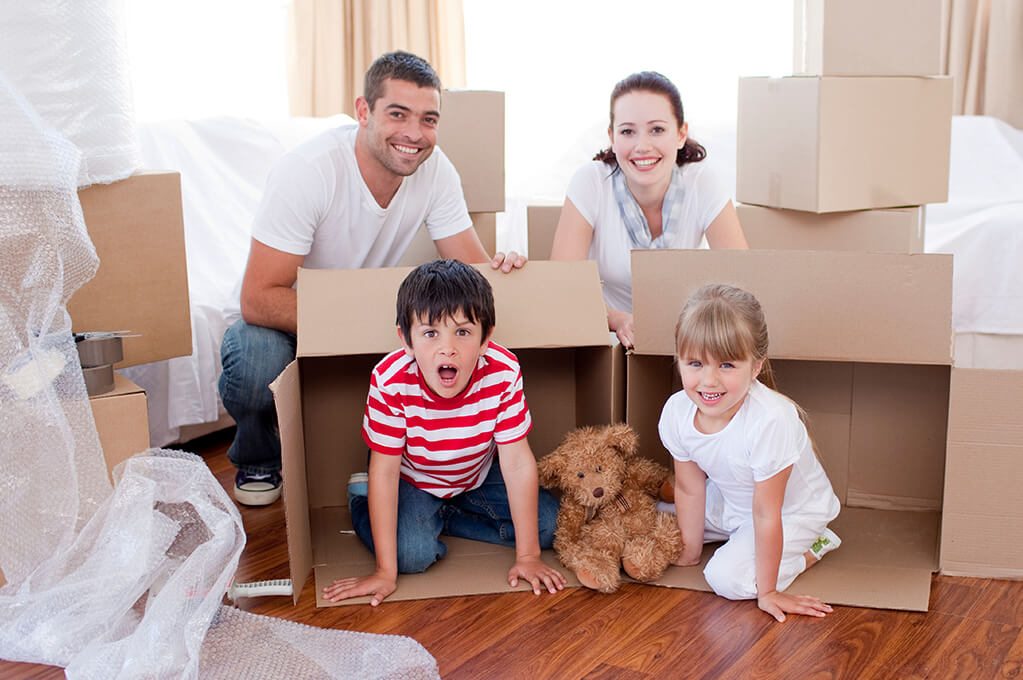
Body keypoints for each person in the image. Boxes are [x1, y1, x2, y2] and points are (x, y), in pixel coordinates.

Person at [218, 51, 525, 506]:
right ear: (363, 112)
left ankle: (400, 474)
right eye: (397, 114)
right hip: (290, 325)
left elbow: (473, 275)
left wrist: (506, 269)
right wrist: (351, 324)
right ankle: (259, 456)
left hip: (371, 322)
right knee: (253, 356)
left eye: (428, 119)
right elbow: (258, 299)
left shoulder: (435, 170)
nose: (414, 134)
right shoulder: (310, 172)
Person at [322, 259, 566, 606]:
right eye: (430, 333)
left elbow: (515, 463)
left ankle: (445, 515)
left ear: (485, 339)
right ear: (406, 340)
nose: (447, 348)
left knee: (549, 527)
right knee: (411, 556)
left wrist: (527, 556)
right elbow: (387, 470)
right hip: (412, 476)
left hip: (476, 474)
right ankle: (361, 499)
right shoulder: (390, 380)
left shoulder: (503, 371)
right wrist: (384, 572)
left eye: (463, 332)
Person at [658, 284, 841, 623]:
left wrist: (768, 591)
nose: (709, 381)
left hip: (789, 513)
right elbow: (689, 488)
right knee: (657, 521)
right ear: (679, 360)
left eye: (726, 365)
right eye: (695, 363)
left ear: (756, 367)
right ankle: (727, 540)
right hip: (731, 499)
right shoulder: (677, 412)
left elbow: (766, 512)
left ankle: (817, 545)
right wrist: (689, 552)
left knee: (725, 579)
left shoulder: (770, 419)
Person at [551, 71, 748, 349]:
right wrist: (617, 319)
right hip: (605, 341)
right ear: (612, 137)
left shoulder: (702, 182)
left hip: (683, 341)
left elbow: (742, 285)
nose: (642, 146)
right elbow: (563, 287)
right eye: (628, 131)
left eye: (657, 129)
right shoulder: (592, 181)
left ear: (681, 134)